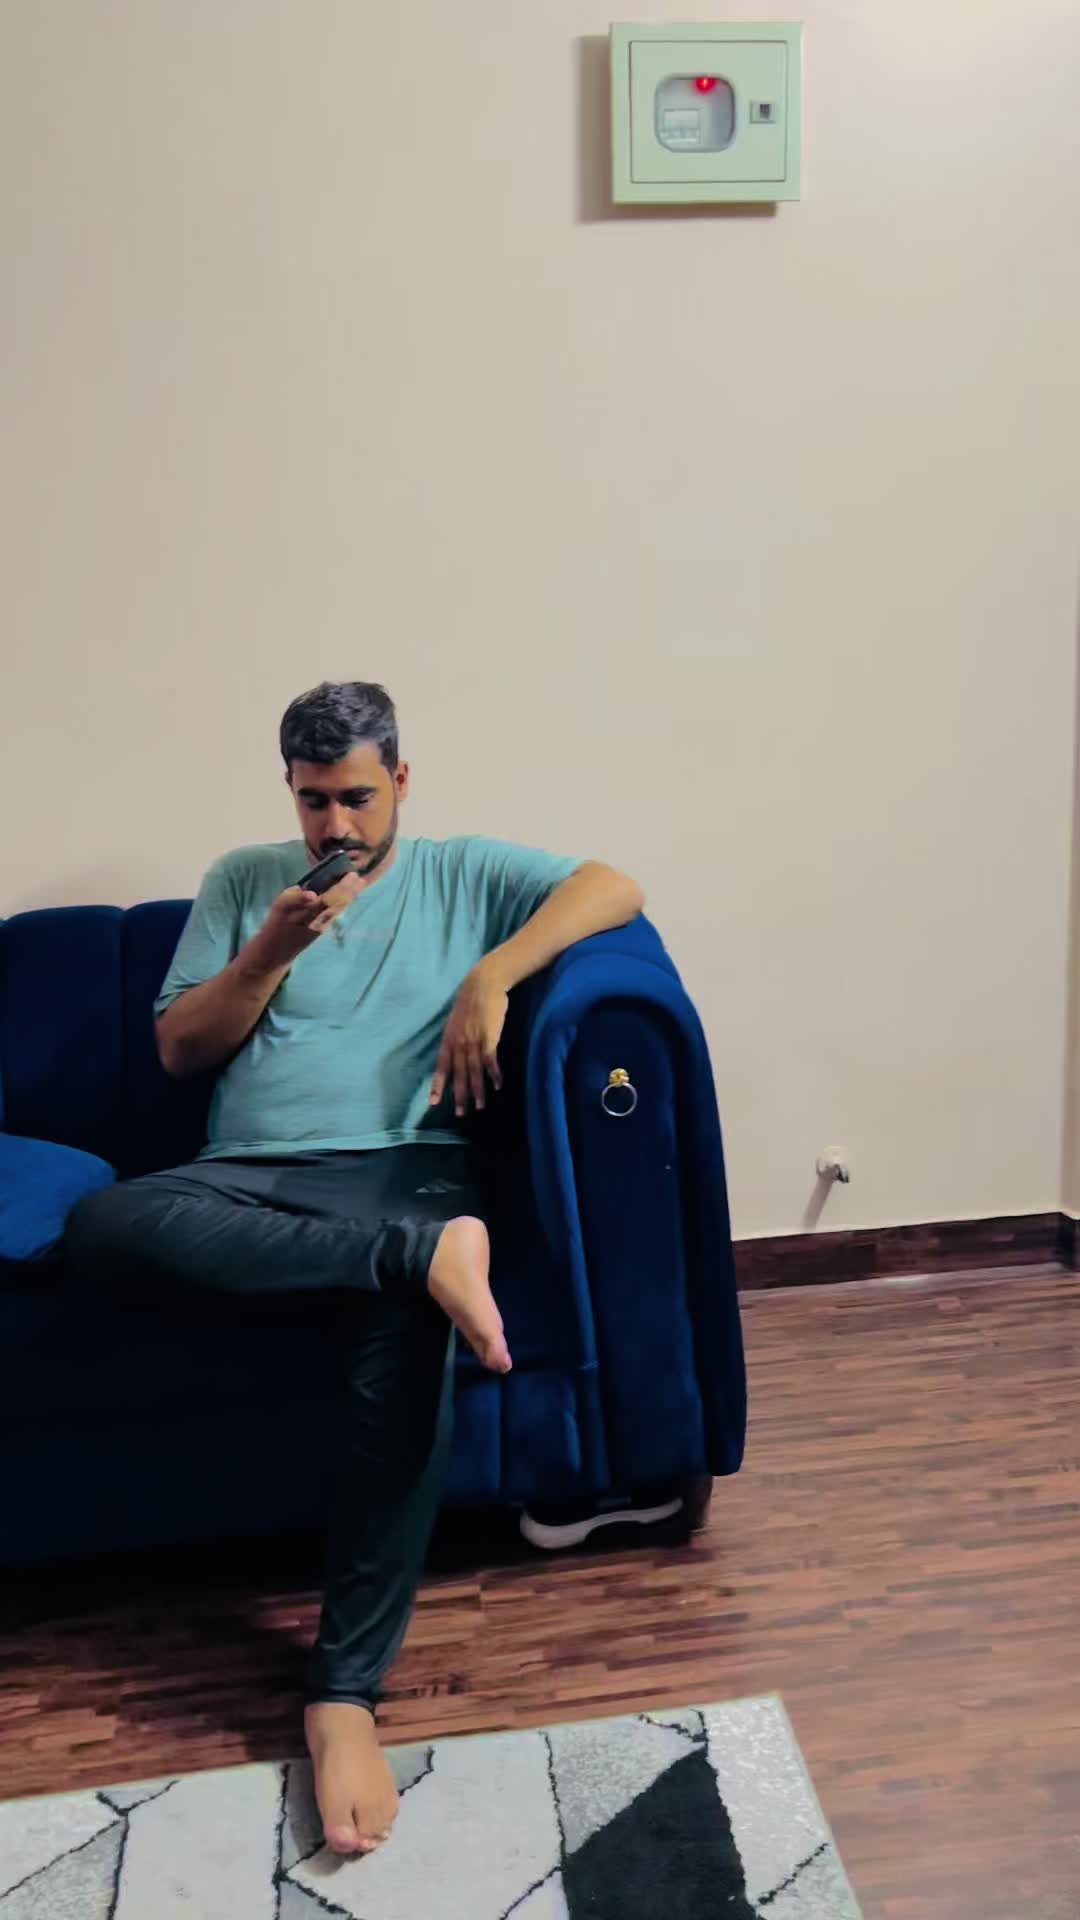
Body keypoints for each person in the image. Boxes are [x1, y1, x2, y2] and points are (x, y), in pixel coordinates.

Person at [65, 681, 644, 1858]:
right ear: (289, 792)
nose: (338, 826)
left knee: (403, 1328)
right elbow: (179, 1051)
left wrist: (492, 974)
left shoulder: (460, 872)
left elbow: (613, 886)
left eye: (359, 799)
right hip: (246, 1177)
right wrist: (268, 952)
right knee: (102, 1226)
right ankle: (421, 1260)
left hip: (404, 1168)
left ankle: (343, 1698)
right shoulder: (244, 881)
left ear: (402, 782)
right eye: (315, 801)